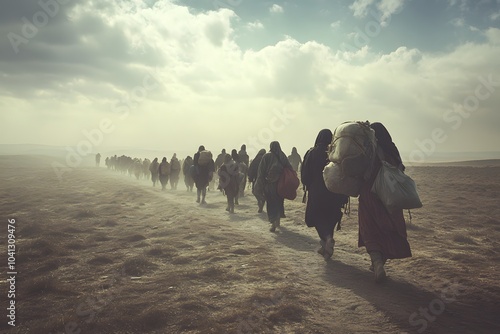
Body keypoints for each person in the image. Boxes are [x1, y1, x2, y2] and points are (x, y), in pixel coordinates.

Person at [358, 122, 412, 283]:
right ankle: (380, 262)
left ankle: (377, 262)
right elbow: (401, 169)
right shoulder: (392, 149)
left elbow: (360, 172)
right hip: (391, 196)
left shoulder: (369, 150)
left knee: (369, 228)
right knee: (389, 228)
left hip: (370, 194)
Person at [301, 129, 348, 260]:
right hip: (335, 192)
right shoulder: (336, 154)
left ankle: (327, 238)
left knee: (316, 217)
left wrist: (309, 185)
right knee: (330, 217)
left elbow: (305, 175)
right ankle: (326, 247)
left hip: (317, 192)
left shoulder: (312, 153)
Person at [254, 141, 292, 232]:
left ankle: (273, 223)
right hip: (281, 184)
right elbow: (289, 168)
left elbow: (261, 171)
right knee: (279, 202)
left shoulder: (266, 156)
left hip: (269, 184)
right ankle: (277, 220)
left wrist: (259, 184)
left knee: (271, 202)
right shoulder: (282, 156)